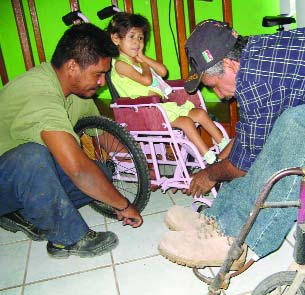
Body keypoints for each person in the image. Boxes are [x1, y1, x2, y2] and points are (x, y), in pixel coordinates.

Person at [158, 19, 305, 268]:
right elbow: (248, 141)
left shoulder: (255, 82)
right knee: (273, 133)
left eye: (214, 87)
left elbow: (243, 165)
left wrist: (210, 175)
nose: (219, 96)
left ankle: (236, 239)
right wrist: (217, 163)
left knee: (294, 127)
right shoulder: (252, 52)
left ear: (229, 64)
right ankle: (217, 219)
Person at [0, 23, 143, 259]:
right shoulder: (41, 96)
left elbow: (102, 135)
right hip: (7, 176)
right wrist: (123, 205)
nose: (102, 82)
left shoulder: (76, 92)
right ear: (72, 66)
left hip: (21, 179)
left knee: (102, 172)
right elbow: (77, 170)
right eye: (98, 74)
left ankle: (24, 214)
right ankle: (67, 238)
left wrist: (140, 170)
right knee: (33, 156)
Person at [106, 12, 229, 165]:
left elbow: (163, 72)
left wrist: (143, 58)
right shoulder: (120, 64)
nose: (137, 43)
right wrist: (144, 64)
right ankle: (208, 157)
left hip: (161, 108)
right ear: (115, 39)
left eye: (140, 38)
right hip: (144, 112)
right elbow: (146, 80)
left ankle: (225, 145)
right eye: (131, 37)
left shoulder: (138, 61)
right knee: (185, 122)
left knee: (200, 113)